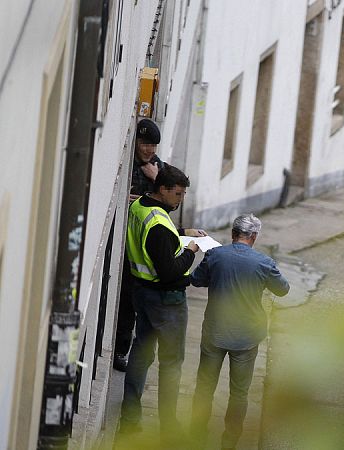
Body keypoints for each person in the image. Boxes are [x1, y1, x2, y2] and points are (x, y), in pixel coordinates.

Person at [118, 165, 207, 442]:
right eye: (178, 193)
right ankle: (169, 426)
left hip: (141, 293)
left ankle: (129, 419)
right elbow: (168, 269)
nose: (181, 199)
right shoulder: (159, 225)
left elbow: (155, 238)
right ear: (164, 189)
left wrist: (181, 231)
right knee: (171, 364)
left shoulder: (141, 207)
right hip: (166, 300)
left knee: (141, 354)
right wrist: (191, 250)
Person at [189, 214, 289, 449]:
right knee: (239, 393)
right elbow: (283, 289)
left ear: (233, 233)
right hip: (247, 335)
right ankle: (230, 440)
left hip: (215, 331)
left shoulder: (215, 255)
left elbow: (196, 280)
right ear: (253, 236)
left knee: (204, 387)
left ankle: (195, 435)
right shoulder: (264, 263)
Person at [114, 118, 167, 372]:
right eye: (146, 144)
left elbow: (168, 202)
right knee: (123, 299)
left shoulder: (158, 168)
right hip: (124, 240)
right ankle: (118, 350)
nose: (149, 150)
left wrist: (156, 179)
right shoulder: (127, 163)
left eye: (154, 146)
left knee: (135, 302)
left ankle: (126, 350)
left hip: (144, 244)